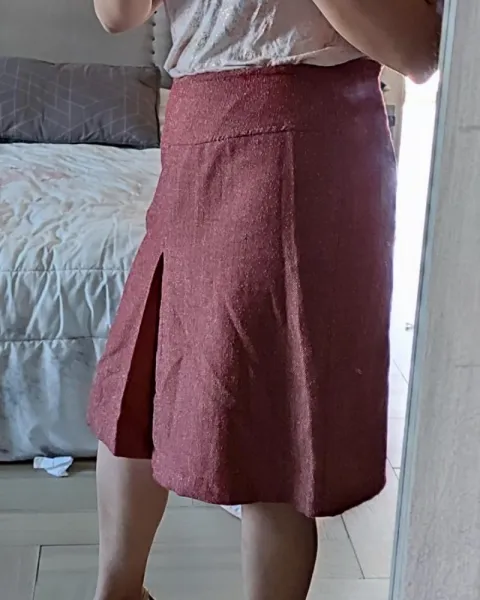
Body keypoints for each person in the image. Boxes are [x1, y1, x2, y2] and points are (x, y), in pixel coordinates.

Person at [87, 1, 442, 599]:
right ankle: (118, 591)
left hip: (308, 139)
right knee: (145, 370)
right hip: (200, 124)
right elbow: (117, 14)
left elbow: (419, 52)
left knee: (274, 417)